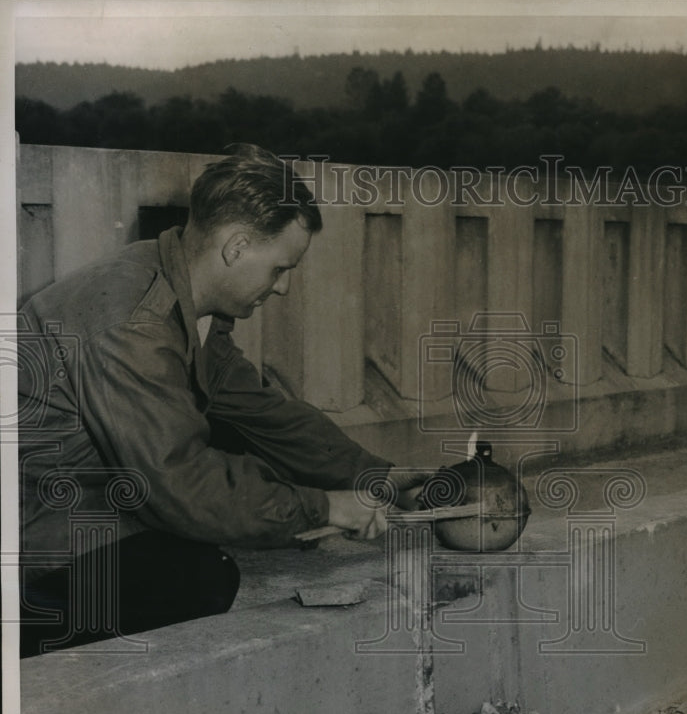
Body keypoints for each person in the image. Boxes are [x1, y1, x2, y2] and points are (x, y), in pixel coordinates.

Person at [18, 144, 420, 657]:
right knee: (197, 577)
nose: (283, 289)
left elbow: (260, 411)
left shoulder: (180, 289)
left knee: (230, 445)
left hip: (85, 487)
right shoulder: (133, 322)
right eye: (280, 268)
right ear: (236, 246)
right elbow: (179, 484)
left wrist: (374, 476)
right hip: (31, 524)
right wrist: (322, 507)